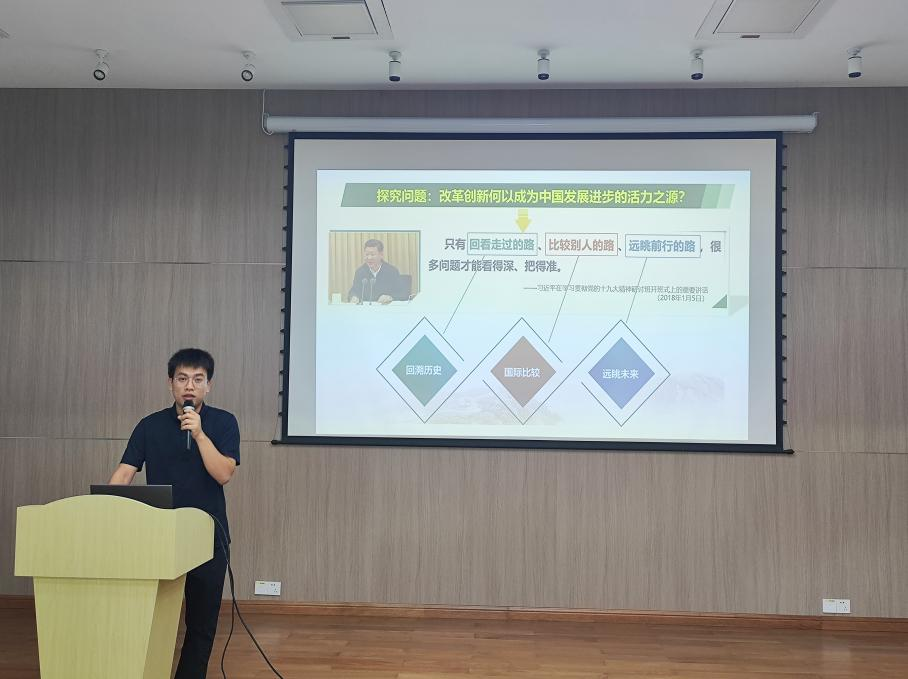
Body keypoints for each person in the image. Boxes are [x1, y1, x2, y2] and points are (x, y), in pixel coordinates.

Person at [108, 348, 239, 679]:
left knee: (201, 624)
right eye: (182, 378)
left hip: (208, 537)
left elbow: (224, 473)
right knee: (150, 617)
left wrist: (199, 434)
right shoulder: (149, 426)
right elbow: (124, 473)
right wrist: (104, 509)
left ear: (208, 385)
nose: (189, 386)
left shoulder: (224, 422)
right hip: (159, 537)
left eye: (197, 379)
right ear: (170, 384)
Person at [348, 238, 405, 304]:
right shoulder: (360, 272)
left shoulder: (392, 271)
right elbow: (354, 291)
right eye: (367, 254)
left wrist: (390, 297)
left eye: (372, 255)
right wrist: (353, 297)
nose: (369, 258)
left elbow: (402, 293)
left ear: (381, 255)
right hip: (366, 309)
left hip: (385, 308)